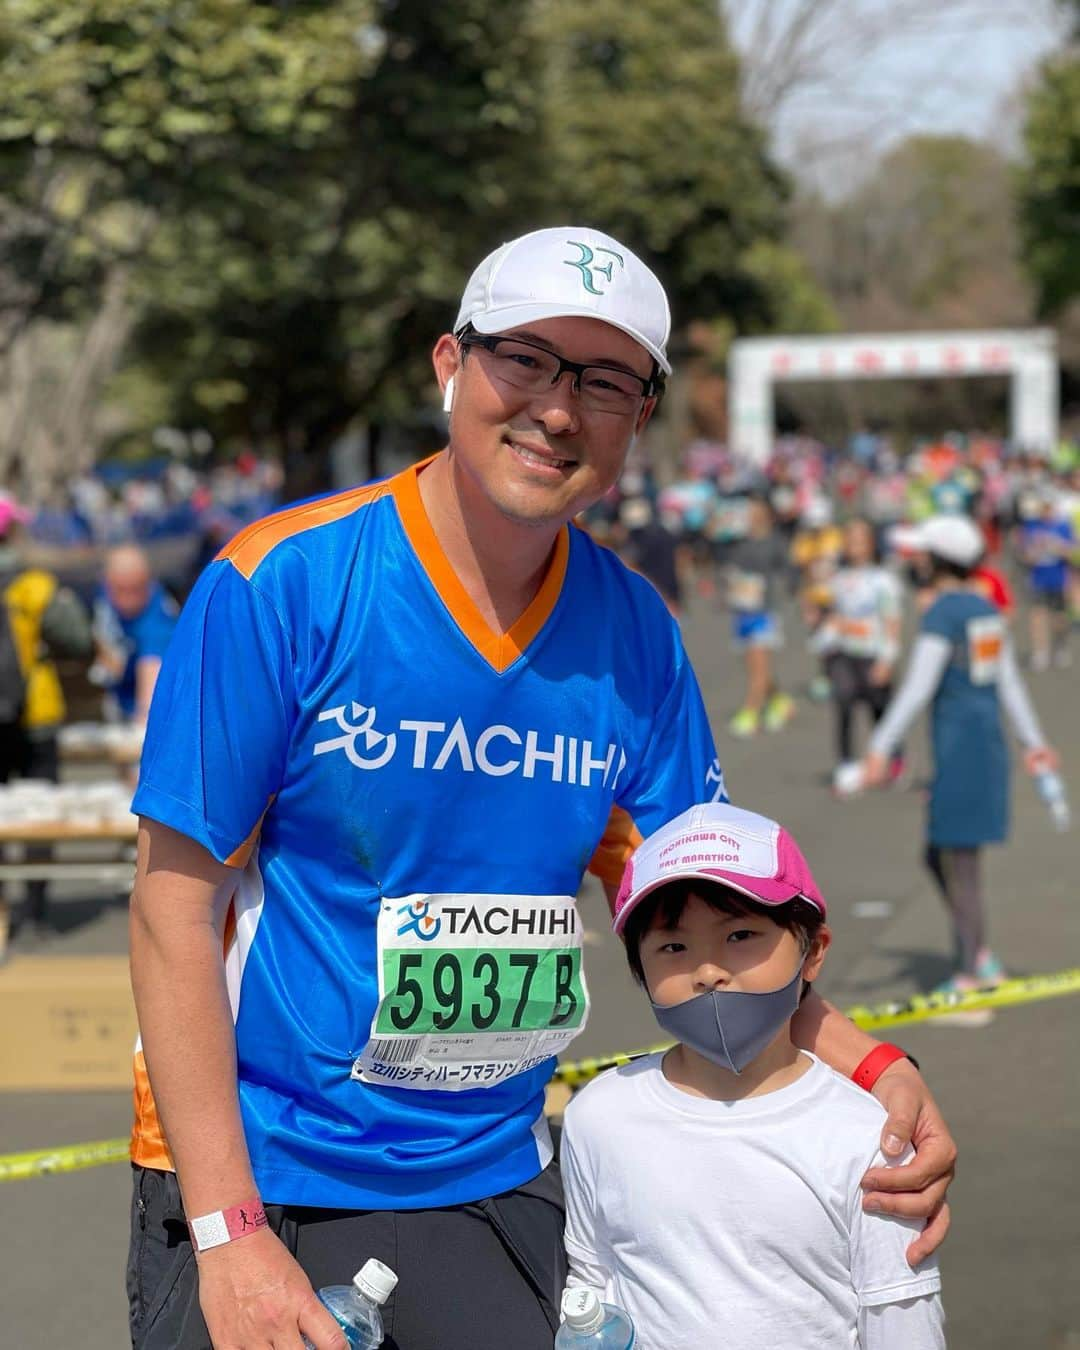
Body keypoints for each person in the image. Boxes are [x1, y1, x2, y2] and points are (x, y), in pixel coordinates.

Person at [127, 226, 955, 1350]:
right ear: (448, 365)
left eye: (604, 379)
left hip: (498, 1170)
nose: (558, 409)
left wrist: (871, 1065)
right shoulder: (283, 582)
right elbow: (172, 906)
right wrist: (227, 1232)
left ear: (641, 417)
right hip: (266, 1174)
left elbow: (715, 918)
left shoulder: (637, 642)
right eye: (524, 359)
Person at [562, 801, 944, 1349]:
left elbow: (904, 1328)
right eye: (673, 946)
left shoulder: (869, 1140)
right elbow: (593, 1287)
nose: (709, 970)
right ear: (638, 968)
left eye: (740, 936)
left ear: (813, 953)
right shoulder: (597, 1117)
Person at [861, 515, 1057, 1000]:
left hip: (961, 749)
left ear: (939, 560)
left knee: (959, 861)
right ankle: (978, 953)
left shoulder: (944, 613)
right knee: (942, 854)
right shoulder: (983, 608)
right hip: (982, 745)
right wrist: (1033, 741)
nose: (917, 561)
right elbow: (1007, 681)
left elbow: (917, 688)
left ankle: (971, 970)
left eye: (923, 553)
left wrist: (880, 747)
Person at [0, 496, 93, 958]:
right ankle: (34, 913)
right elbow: (77, 641)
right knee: (40, 815)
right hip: (36, 714)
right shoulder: (35, 584)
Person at [818, 518, 904, 785]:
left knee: (880, 709)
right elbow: (831, 615)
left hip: (872, 653)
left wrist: (887, 659)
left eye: (861, 539)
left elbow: (892, 621)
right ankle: (846, 763)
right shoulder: (837, 580)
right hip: (844, 653)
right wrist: (825, 640)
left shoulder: (883, 580)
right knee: (843, 702)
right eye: (850, 539)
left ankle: (892, 759)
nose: (855, 545)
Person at [725, 495, 795, 738]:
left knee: (758, 666)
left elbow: (789, 570)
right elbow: (725, 564)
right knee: (755, 664)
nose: (751, 515)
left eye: (756, 511)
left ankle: (750, 712)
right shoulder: (739, 541)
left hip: (765, 611)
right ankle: (780, 701)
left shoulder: (775, 542)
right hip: (742, 609)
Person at [92, 545, 178, 724]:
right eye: (120, 590)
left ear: (148, 581)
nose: (128, 601)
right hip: (118, 695)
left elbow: (151, 669)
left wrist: (143, 721)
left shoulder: (159, 619)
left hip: (155, 707)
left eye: (136, 589)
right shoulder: (104, 593)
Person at [1017, 490, 1074, 670]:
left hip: (1058, 577)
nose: (1046, 511)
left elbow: (1072, 553)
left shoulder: (1063, 526)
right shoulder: (1030, 526)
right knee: (1037, 615)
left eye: (1049, 508)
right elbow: (1024, 555)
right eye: (1043, 508)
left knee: (1059, 618)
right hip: (1037, 578)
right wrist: (1033, 551)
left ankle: (1060, 647)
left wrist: (1058, 546)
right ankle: (1040, 652)